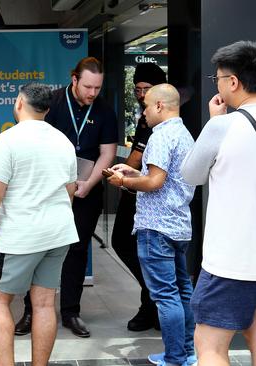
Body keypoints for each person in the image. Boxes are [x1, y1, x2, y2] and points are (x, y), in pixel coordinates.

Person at [181, 41, 256, 366]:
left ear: (234, 82)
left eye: (218, 79)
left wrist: (215, 121)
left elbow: (191, 175)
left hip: (232, 262)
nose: (219, 85)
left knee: (209, 345)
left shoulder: (223, 125)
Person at [0, 82, 78, 366]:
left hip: (20, 236)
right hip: (59, 233)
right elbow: (70, 191)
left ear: (19, 102)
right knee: (44, 303)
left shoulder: (7, 140)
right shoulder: (64, 141)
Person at [15, 57, 118, 338]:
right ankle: (31, 310)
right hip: (48, 191)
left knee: (76, 251)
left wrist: (87, 184)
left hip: (86, 190)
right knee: (39, 251)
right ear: (74, 80)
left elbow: (107, 153)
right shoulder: (53, 103)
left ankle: (71, 312)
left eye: (97, 87)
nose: (92, 93)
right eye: (88, 86)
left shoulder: (105, 110)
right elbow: (34, 141)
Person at [108, 84, 196, 366]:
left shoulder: (160, 136)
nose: (143, 112)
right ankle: (186, 352)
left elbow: (155, 182)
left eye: (146, 106)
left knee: (166, 296)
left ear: (159, 105)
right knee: (182, 291)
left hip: (157, 227)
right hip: (178, 225)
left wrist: (123, 181)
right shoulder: (183, 134)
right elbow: (164, 177)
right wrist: (134, 171)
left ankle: (173, 358)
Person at [112, 62, 166, 332]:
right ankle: (151, 301)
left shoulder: (160, 121)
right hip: (135, 191)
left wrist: (120, 174)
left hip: (151, 195)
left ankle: (153, 302)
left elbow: (137, 157)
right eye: (138, 89)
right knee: (125, 243)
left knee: (127, 243)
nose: (142, 94)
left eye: (147, 89)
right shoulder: (145, 117)